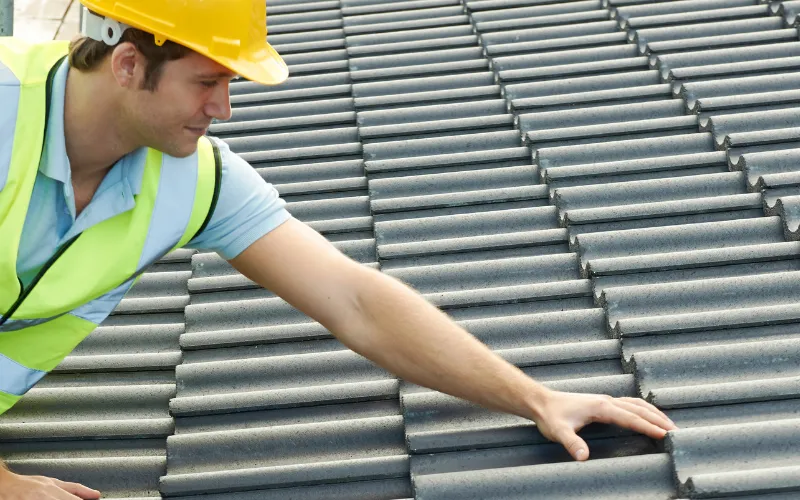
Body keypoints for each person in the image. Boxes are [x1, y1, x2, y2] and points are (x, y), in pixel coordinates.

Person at [0, 0, 677, 497]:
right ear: (127, 64)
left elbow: (353, 298)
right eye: (207, 82)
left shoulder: (194, 180)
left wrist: (534, 398)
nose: (224, 109)